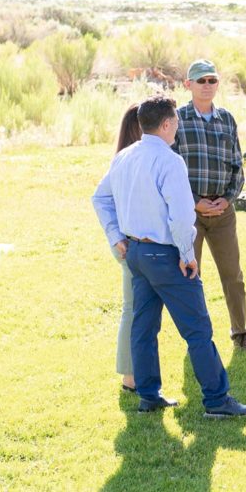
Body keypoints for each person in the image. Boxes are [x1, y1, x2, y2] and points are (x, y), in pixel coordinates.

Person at [93, 94, 246, 418]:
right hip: (164, 254)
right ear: (167, 124)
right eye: (176, 123)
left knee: (143, 327)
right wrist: (187, 254)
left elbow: (100, 198)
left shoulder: (124, 157)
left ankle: (149, 394)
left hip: (135, 252)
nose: (178, 127)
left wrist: (116, 236)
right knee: (197, 329)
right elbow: (181, 216)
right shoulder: (170, 161)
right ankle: (217, 399)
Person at [175, 59, 246, 351]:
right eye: (200, 81)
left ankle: (241, 335)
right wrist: (195, 203)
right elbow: (170, 172)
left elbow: (237, 165)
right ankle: (196, 339)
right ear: (188, 85)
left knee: (233, 275)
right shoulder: (176, 120)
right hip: (190, 213)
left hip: (223, 212)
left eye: (212, 80)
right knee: (190, 274)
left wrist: (227, 199)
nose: (207, 85)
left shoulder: (227, 119)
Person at [112, 103, 141, 394]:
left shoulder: (123, 159)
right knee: (133, 309)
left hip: (128, 243)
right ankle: (131, 377)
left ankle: (134, 375)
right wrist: (116, 236)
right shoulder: (129, 160)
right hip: (130, 245)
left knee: (135, 309)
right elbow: (101, 198)